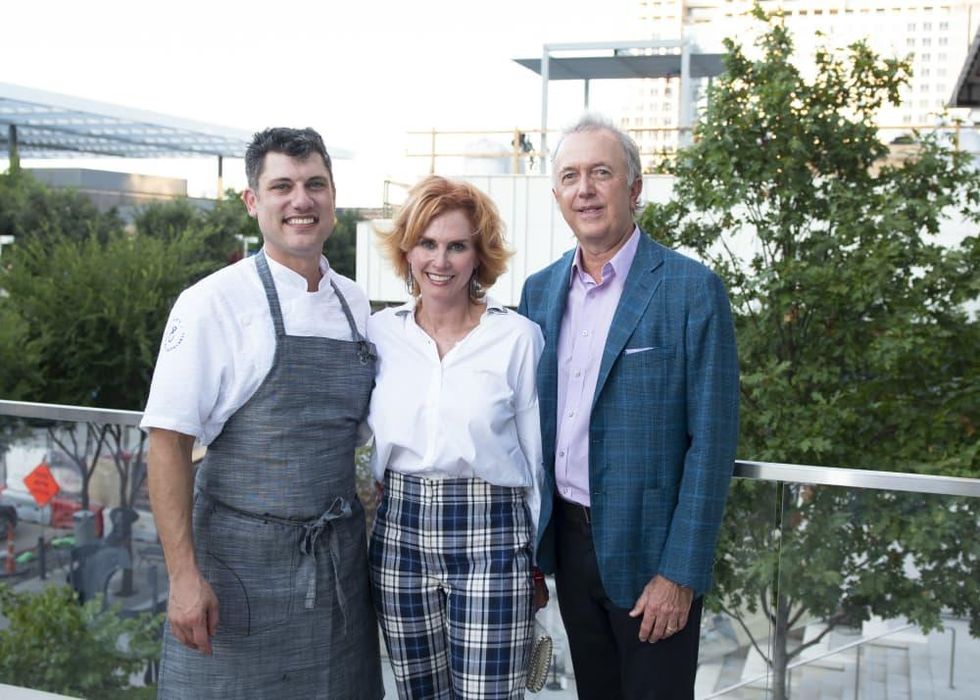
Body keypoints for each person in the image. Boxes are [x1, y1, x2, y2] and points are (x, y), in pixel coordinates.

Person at [142, 127, 383, 699]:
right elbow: (166, 443)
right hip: (234, 571)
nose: (301, 200)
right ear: (254, 201)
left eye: (315, 185)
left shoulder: (354, 302)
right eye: (282, 186)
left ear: (332, 196)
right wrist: (183, 578)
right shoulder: (211, 303)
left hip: (336, 570)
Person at [517, 114, 740, 700]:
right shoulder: (538, 292)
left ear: (634, 188)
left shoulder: (691, 289)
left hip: (652, 558)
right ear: (558, 194)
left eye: (601, 173)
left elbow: (713, 442)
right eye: (570, 176)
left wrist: (680, 574)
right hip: (566, 540)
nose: (584, 189)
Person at [367, 175, 547, 699]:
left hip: (492, 537)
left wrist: (535, 562)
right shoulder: (380, 334)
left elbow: (535, 459)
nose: (439, 261)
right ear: (407, 249)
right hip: (399, 534)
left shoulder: (517, 338)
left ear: (478, 255)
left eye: (456, 246)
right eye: (427, 243)